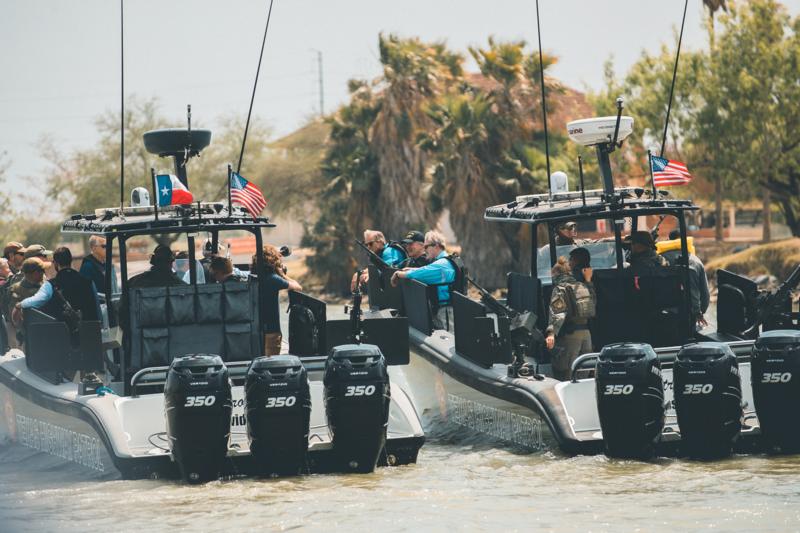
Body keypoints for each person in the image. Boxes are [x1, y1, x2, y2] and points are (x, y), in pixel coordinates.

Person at [391, 230, 462, 333]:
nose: (424, 250)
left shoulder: (441, 264)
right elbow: (426, 269)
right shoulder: (444, 261)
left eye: (426, 247)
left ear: (436, 246)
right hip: (446, 308)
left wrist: (400, 274)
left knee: (449, 340)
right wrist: (410, 269)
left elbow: (424, 272)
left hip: (445, 310)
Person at [545, 254, 597, 381]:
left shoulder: (559, 289)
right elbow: (593, 303)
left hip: (571, 336)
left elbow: (557, 312)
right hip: (586, 335)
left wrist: (551, 333)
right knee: (584, 372)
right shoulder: (582, 286)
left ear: (556, 273)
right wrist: (589, 281)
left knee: (566, 374)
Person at [17, 247, 101, 323]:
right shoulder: (88, 282)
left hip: (63, 335)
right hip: (89, 333)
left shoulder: (50, 284)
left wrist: (20, 305)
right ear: (71, 260)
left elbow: (37, 300)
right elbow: (97, 308)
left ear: (56, 263)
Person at [252, 244, 302, 356]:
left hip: (255, 330)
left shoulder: (253, 276)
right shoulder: (272, 278)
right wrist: (282, 275)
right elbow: (298, 287)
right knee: (272, 363)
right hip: (271, 330)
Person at [660, 229, 710, 328]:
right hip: (690, 315)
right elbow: (705, 294)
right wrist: (699, 312)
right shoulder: (696, 261)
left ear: (669, 241)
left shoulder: (660, 259)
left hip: (664, 314)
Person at [8, 258, 47, 342]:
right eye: (42, 270)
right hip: (29, 336)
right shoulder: (16, 290)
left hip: (48, 331)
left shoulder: (45, 286)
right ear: (35, 273)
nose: (44, 273)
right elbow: (15, 318)